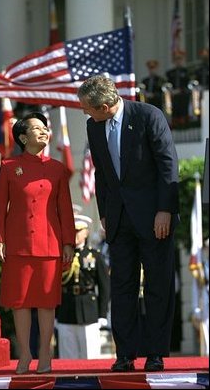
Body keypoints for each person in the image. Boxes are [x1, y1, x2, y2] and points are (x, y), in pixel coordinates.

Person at [77, 75, 179, 372]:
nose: (85, 112)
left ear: (106, 106)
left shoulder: (149, 116)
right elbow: (101, 172)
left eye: (88, 108)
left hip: (154, 218)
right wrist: (105, 212)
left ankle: (156, 353)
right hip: (119, 220)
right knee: (122, 286)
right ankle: (125, 355)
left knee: (158, 285)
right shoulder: (94, 125)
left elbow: (168, 165)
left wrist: (165, 210)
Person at [0, 111, 75, 374]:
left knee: (47, 302)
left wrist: (68, 242)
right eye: (37, 129)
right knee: (20, 301)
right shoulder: (8, 166)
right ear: (23, 137)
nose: (43, 132)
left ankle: (45, 353)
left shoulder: (57, 169)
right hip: (17, 243)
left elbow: (65, 209)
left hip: (50, 244)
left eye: (45, 128)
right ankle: (25, 354)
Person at [56, 214, 110, 359]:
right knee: (67, 357)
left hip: (89, 311)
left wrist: (102, 314)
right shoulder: (61, 256)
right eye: (72, 231)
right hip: (66, 310)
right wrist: (55, 313)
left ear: (86, 232)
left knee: (90, 355)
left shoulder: (95, 256)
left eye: (78, 231)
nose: (74, 235)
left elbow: (104, 286)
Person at [165, 50, 191, 127]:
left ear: (182, 60)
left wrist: (181, 90)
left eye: (180, 59)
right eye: (176, 59)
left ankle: (184, 126)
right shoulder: (170, 73)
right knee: (174, 112)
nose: (178, 61)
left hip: (184, 95)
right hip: (173, 95)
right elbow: (167, 84)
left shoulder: (187, 71)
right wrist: (171, 90)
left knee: (184, 111)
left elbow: (189, 84)